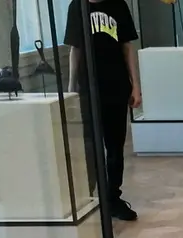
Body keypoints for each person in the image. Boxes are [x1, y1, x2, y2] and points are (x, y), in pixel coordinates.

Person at [64, 0, 140, 221]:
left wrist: (135, 84)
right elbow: (74, 49)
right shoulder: (76, 7)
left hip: (116, 86)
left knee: (115, 147)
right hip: (89, 88)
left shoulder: (118, 5)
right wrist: (71, 89)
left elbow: (127, 46)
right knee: (89, 147)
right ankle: (87, 198)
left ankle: (112, 198)